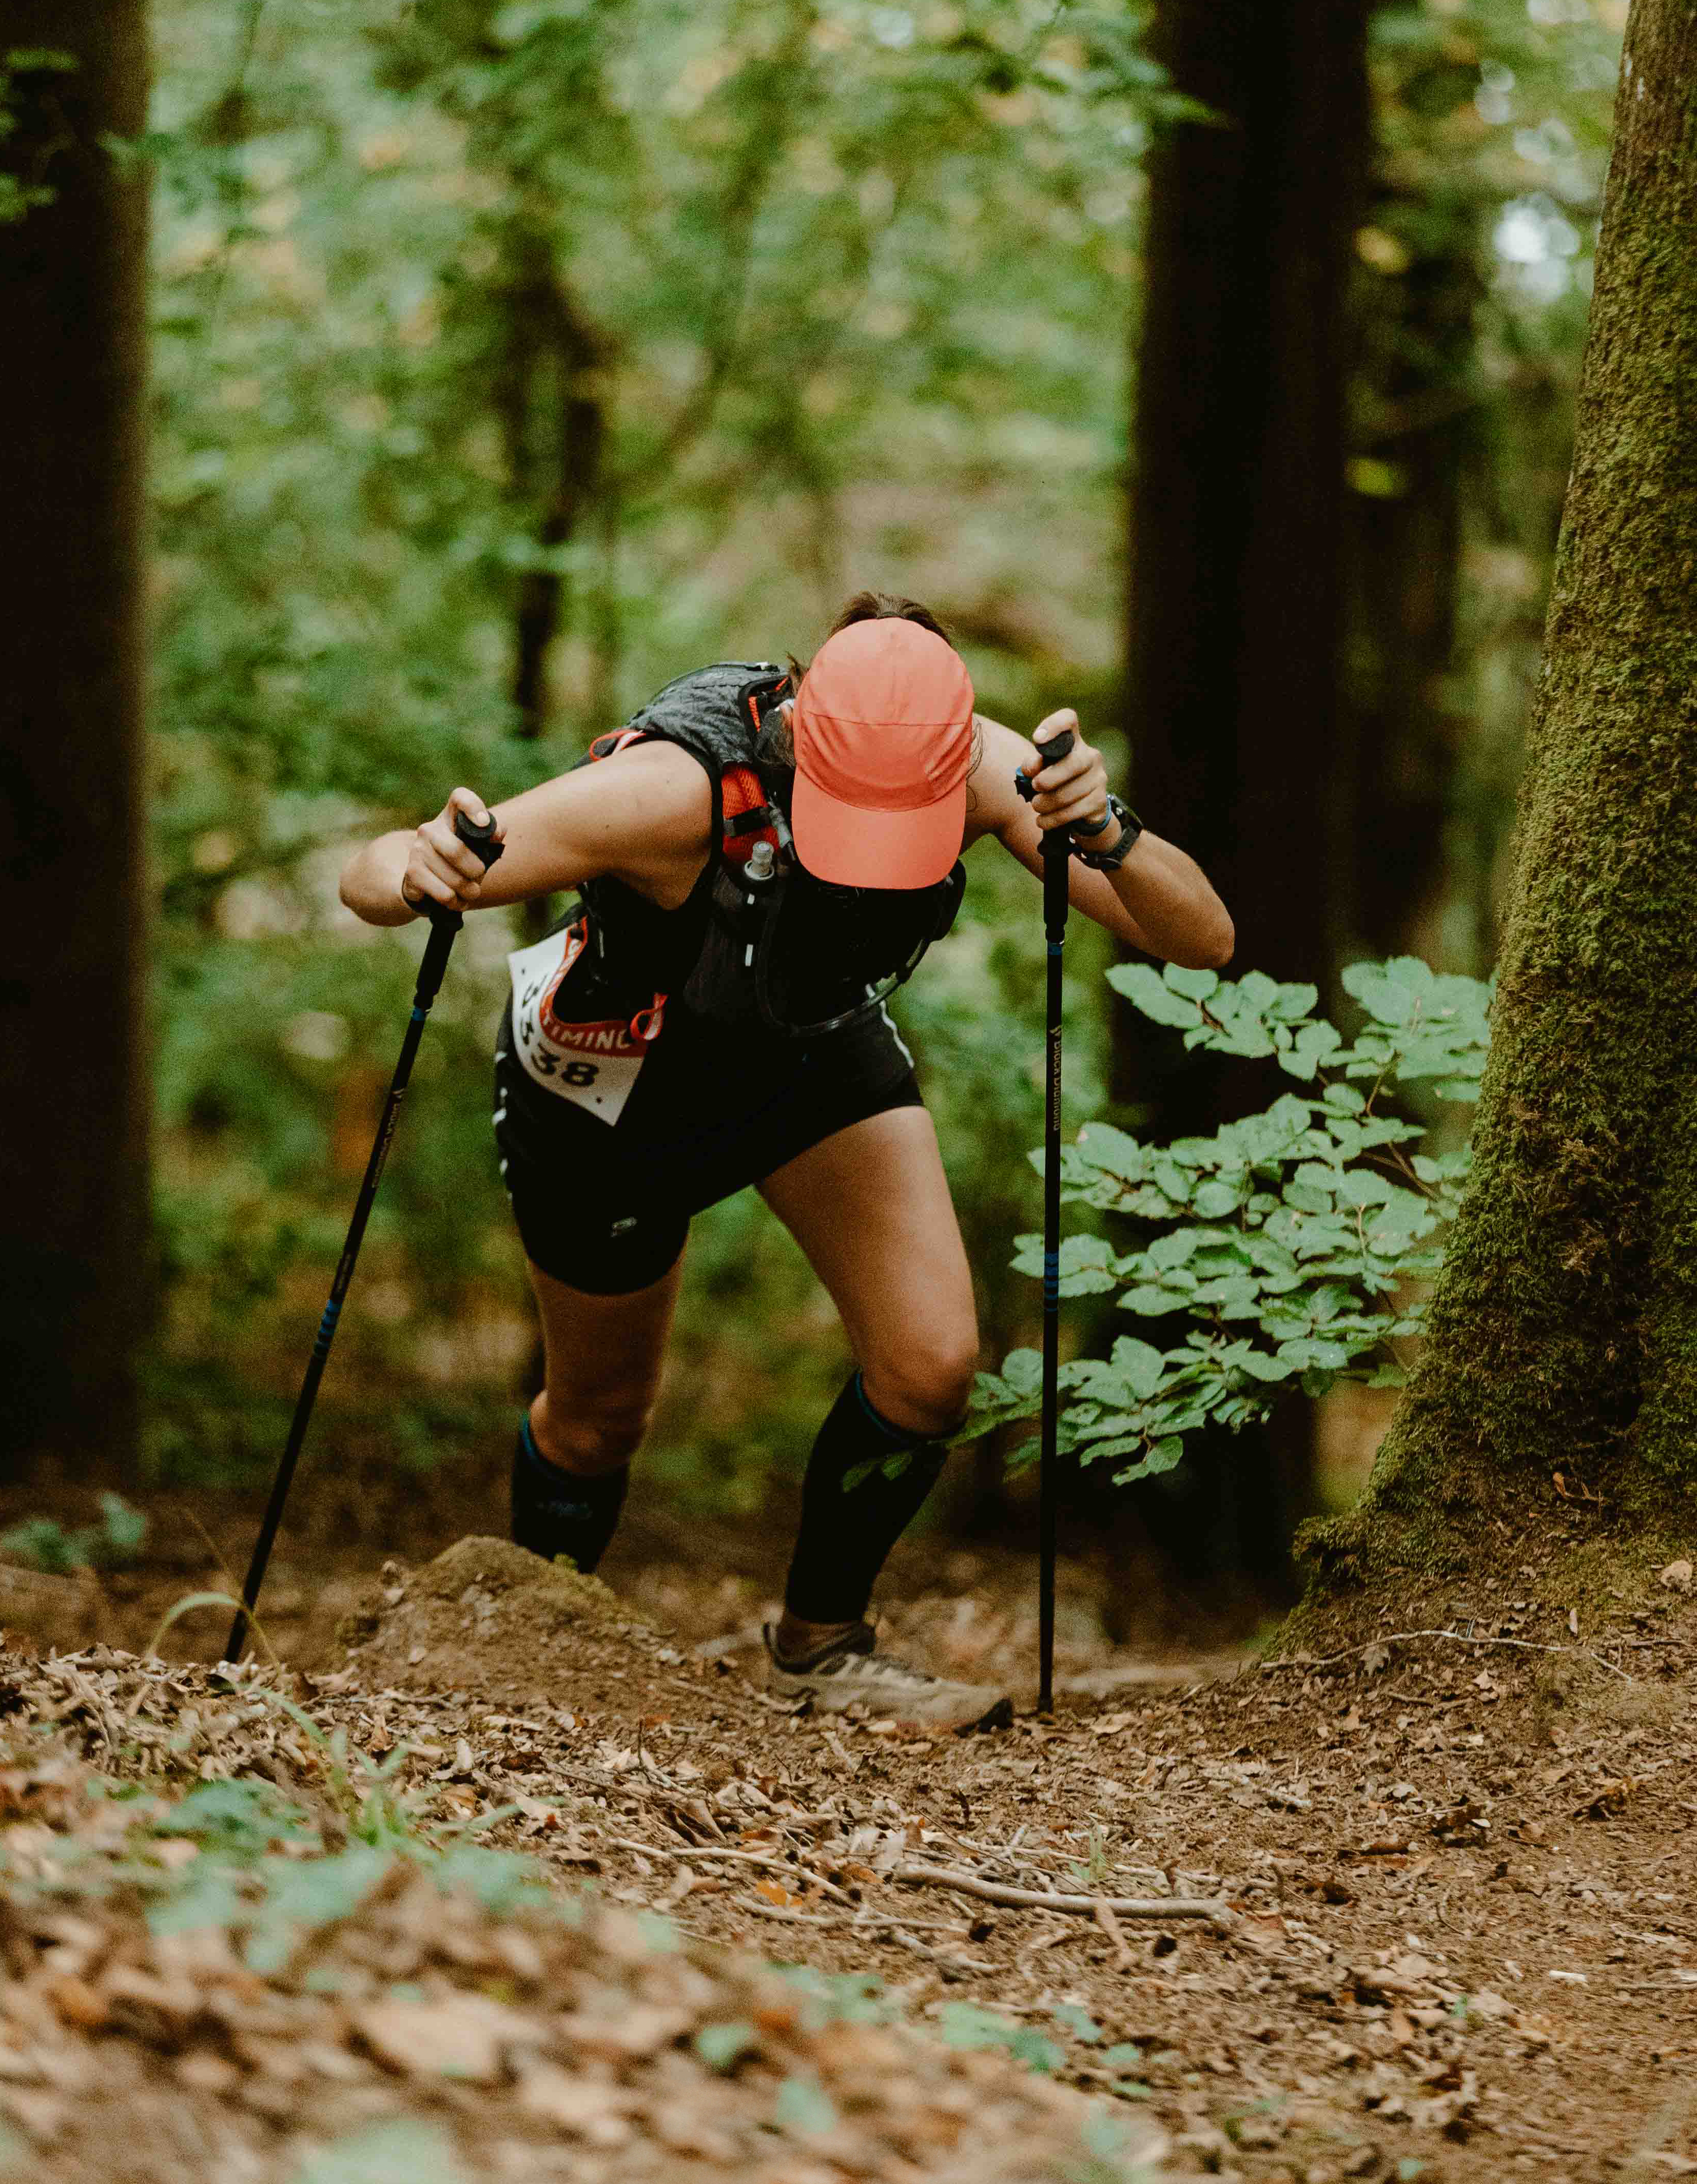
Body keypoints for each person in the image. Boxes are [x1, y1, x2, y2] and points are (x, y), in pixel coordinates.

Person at [340, 593, 1233, 1729]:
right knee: (599, 1415)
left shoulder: (985, 766)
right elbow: (374, 877)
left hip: (807, 1058)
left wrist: (1106, 829)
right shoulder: (668, 791)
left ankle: (822, 1651)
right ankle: (529, 1633)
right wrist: (415, 867)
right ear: (804, 731)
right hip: (610, 1084)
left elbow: (1201, 941)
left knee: (931, 1368)